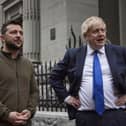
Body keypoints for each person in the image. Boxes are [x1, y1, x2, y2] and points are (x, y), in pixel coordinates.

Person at [49, 16, 126, 126]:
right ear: (86, 36)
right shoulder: (73, 55)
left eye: (103, 30)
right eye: (96, 31)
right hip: (85, 117)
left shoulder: (120, 52)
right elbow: (54, 77)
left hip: (115, 116)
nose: (101, 34)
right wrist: (66, 97)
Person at [0, 20, 39, 126]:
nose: (18, 35)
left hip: (25, 123)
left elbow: (34, 92)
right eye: (13, 32)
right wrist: (6, 114)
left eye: (21, 33)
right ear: (2, 38)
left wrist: (30, 111)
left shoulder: (28, 63)